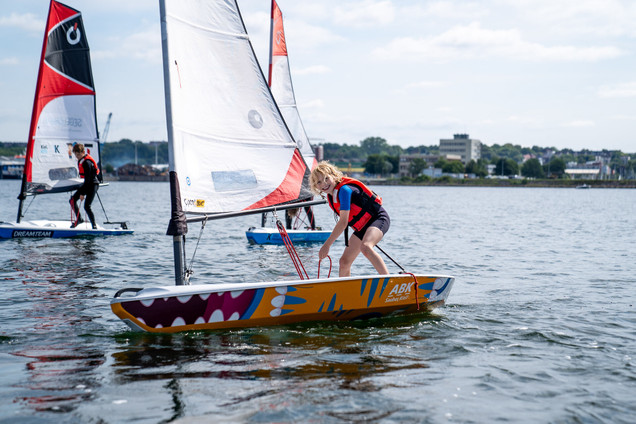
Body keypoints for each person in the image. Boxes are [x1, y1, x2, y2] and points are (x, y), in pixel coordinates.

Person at [310, 161, 389, 277]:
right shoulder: (331, 196)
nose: (324, 184)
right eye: (319, 182)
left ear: (334, 176)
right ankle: (346, 292)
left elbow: (343, 223)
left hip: (378, 219)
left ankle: (389, 281)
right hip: (362, 227)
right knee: (344, 262)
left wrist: (327, 245)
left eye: (327, 178)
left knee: (366, 247)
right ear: (316, 186)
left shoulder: (344, 191)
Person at [70, 143, 100, 229]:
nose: (77, 156)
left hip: (92, 185)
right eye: (75, 154)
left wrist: (82, 193)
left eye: (79, 154)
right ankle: (79, 219)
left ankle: (94, 226)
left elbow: (88, 180)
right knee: (72, 200)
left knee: (87, 206)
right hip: (87, 185)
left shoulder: (86, 162)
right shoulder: (81, 160)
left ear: (83, 152)